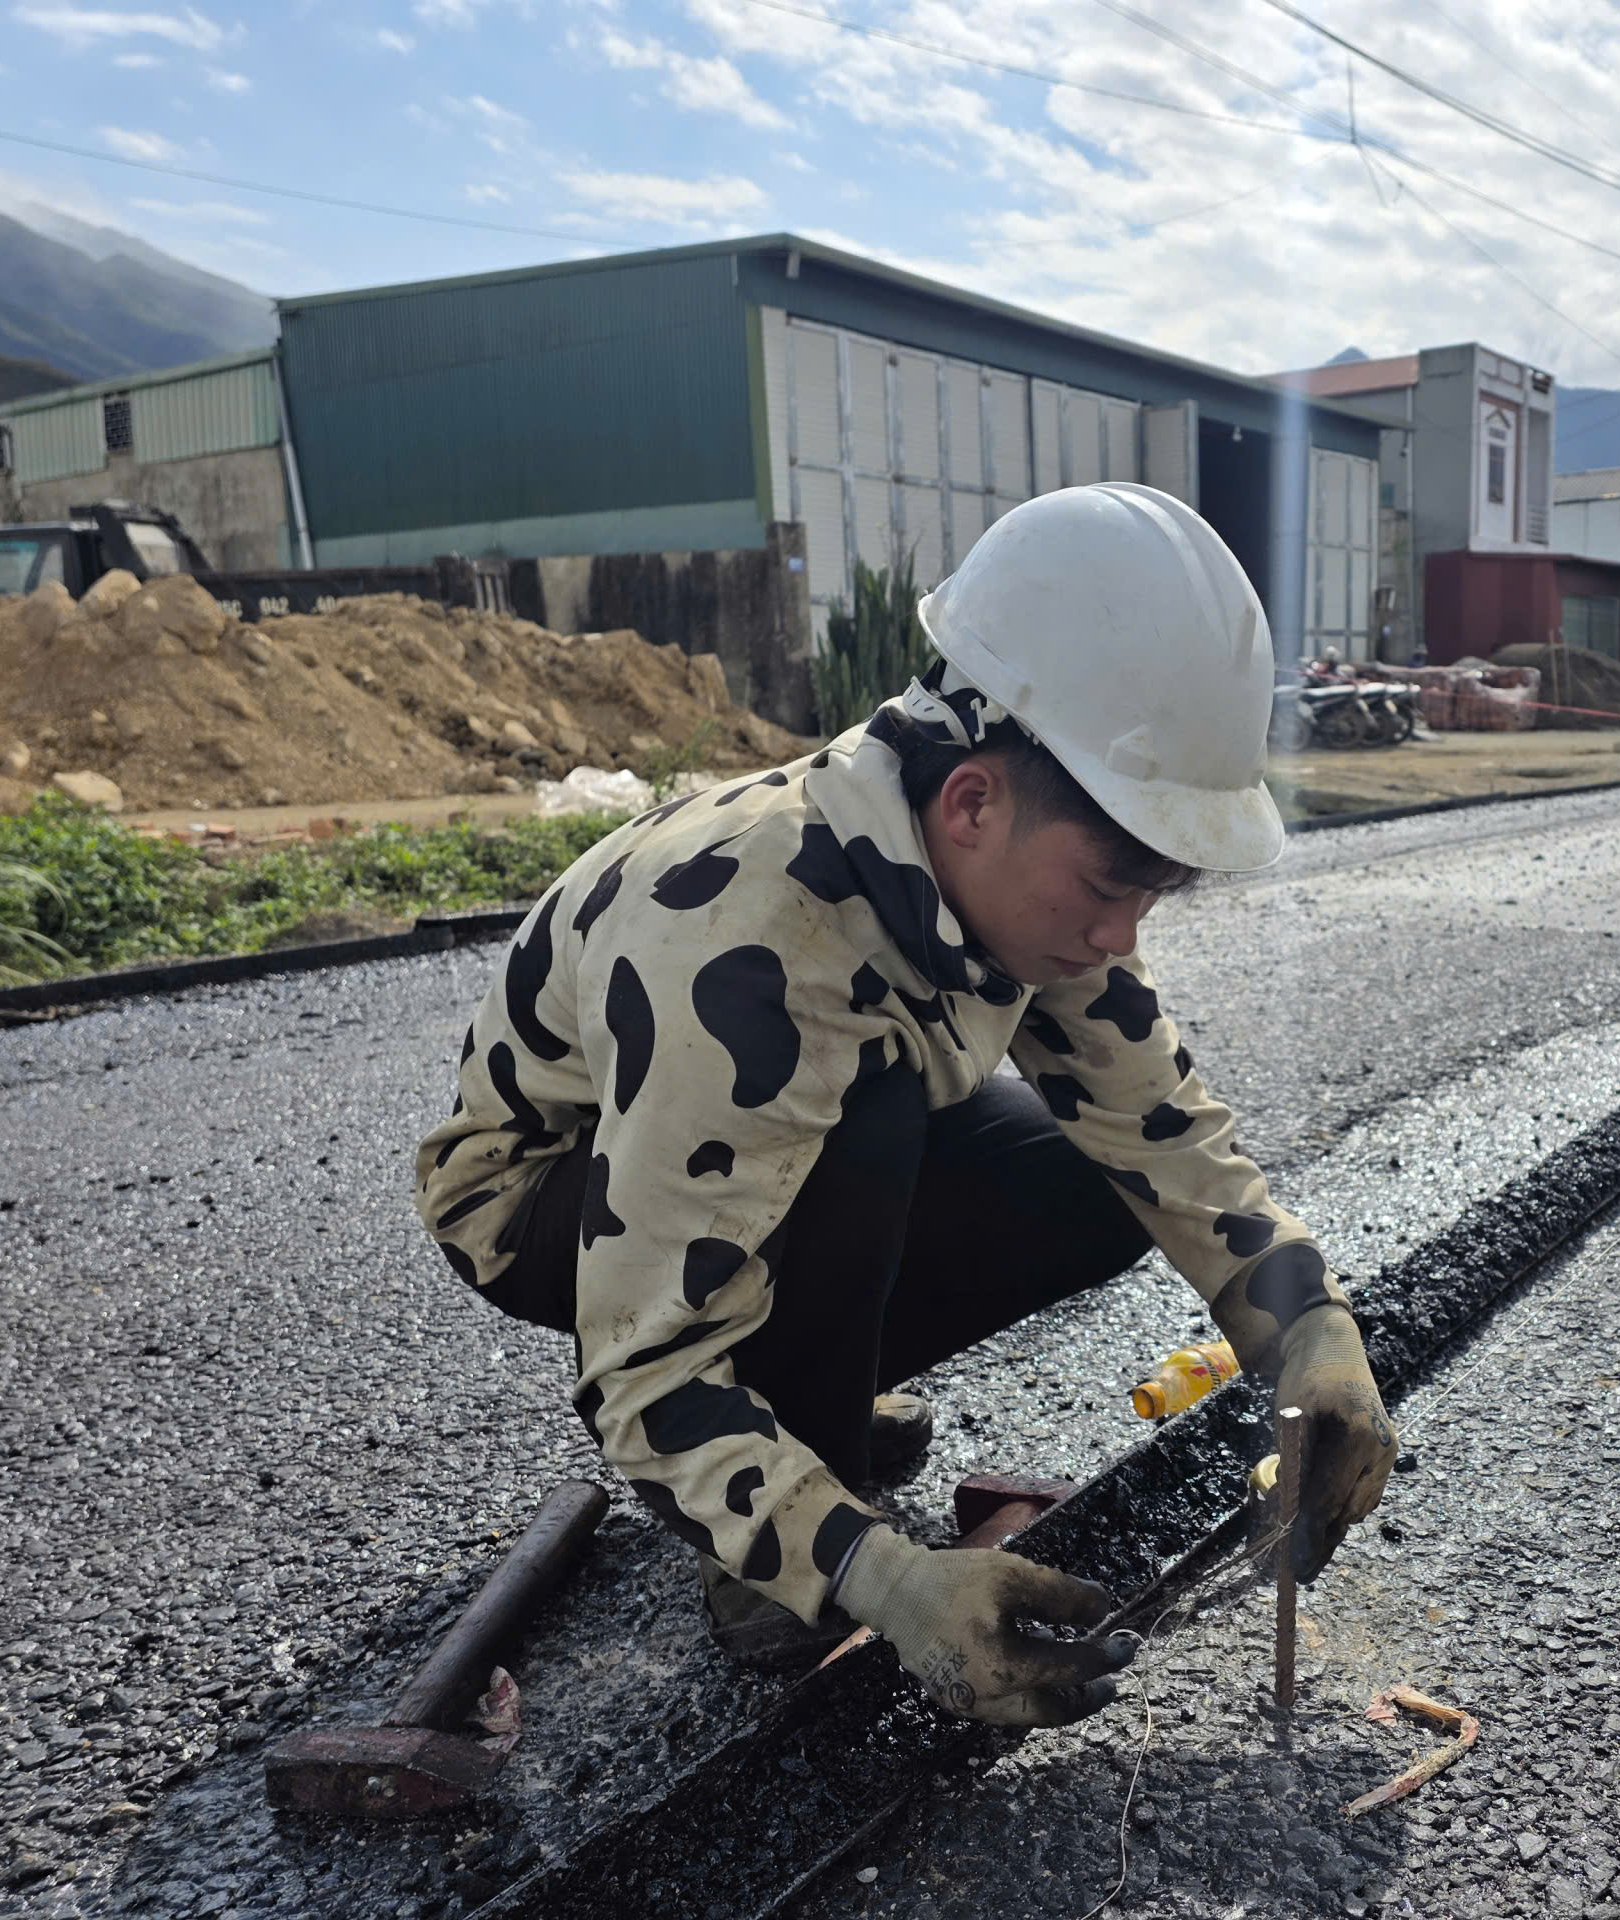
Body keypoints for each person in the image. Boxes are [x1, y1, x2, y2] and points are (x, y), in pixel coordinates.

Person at [414, 483, 1398, 1728]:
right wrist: (880, 1577)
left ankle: (805, 1394)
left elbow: (1160, 1134)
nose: (1118, 933)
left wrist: (1308, 1327)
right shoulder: (752, 946)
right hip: (551, 1196)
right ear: (973, 800)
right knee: (860, 1123)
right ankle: (771, 1541)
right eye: (1107, 887)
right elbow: (640, 1366)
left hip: (760, 1138)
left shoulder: (1010, 883)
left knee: (1085, 1178)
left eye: (1151, 898)